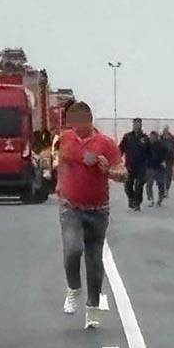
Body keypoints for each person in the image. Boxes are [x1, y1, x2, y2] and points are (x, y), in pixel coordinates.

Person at [56, 101, 123, 329]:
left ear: (89, 119)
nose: (75, 125)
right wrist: (59, 183)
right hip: (70, 206)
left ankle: (92, 308)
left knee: (94, 260)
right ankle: (73, 288)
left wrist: (109, 170)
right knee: (73, 248)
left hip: (97, 210)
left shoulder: (105, 143)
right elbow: (62, 162)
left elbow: (123, 172)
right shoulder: (66, 138)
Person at [119, 118, 151, 211]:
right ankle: (132, 198)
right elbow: (120, 149)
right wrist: (116, 159)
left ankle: (137, 203)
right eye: (135, 124)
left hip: (142, 166)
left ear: (141, 125)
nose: (137, 126)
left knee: (139, 184)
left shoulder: (145, 138)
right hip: (130, 165)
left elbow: (149, 152)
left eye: (138, 124)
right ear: (133, 125)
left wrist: (150, 164)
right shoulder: (128, 137)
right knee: (128, 184)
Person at [145, 131, 169, 207]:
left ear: (156, 137)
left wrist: (164, 161)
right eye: (151, 137)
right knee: (149, 184)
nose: (151, 138)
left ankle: (160, 200)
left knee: (161, 184)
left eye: (153, 137)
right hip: (150, 167)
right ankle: (150, 199)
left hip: (159, 167)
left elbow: (167, 154)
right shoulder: (147, 145)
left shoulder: (162, 146)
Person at [161, 126, 174, 195]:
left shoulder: (172, 139)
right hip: (161, 159)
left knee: (168, 174)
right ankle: (162, 189)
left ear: (168, 131)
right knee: (162, 175)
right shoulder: (160, 138)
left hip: (170, 159)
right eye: (164, 130)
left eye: (166, 130)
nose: (165, 131)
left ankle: (166, 189)